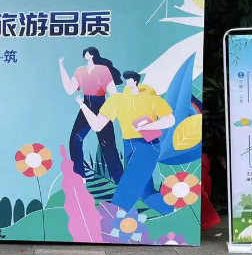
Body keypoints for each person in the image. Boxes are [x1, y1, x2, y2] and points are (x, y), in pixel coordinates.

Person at [77, 71, 175, 214]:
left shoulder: (153, 99)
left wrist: (148, 126)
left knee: (132, 180)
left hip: (148, 144)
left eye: (129, 79)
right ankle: (170, 209)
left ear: (136, 81)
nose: (126, 82)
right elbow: (97, 125)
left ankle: (113, 215)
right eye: (125, 80)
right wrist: (83, 106)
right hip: (128, 145)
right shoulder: (116, 100)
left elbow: (170, 120)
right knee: (145, 191)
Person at [58, 47, 124, 183]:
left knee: (107, 144)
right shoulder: (80, 70)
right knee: (75, 139)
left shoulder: (103, 70)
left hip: (101, 105)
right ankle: (79, 176)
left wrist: (111, 111)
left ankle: (120, 179)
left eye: (87, 52)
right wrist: (61, 66)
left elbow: (113, 93)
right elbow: (70, 89)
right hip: (86, 105)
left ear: (93, 54)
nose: (85, 54)